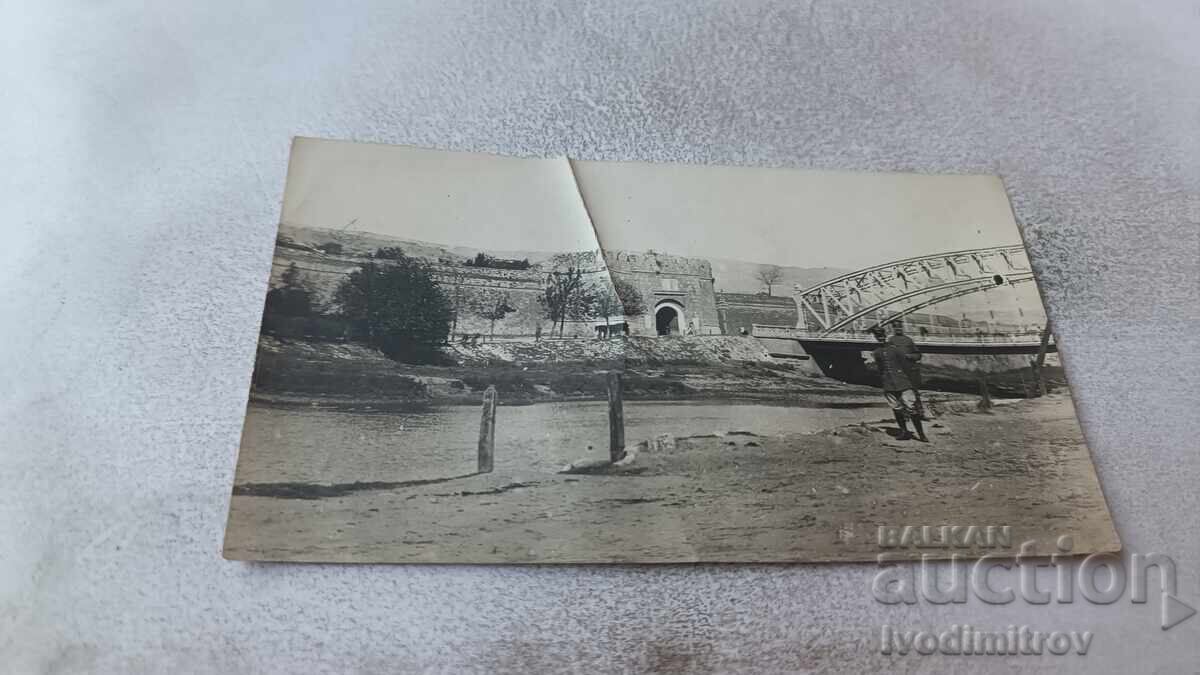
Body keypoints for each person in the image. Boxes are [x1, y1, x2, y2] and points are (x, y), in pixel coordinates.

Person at [872, 327, 929, 442]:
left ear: (886, 335)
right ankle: (904, 432)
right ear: (875, 337)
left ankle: (921, 434)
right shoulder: (877, 352)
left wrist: (912, 383)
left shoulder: (895, 350)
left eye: (882, 336)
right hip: (888, 384)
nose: (881, 338)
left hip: (902, 382)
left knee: (911, 407)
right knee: (896, 408)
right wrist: (883, 381)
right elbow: (880, 369)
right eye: (878, 336)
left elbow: (906, 366)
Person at [888, 320, 925, 420]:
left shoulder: (908, 340)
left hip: (910, 371)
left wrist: (911, 356)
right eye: (896, 327)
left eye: (900, 327)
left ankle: (920, 413)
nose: (898, 328)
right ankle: (905, 415)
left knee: (914, 392)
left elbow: (918, 355)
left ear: (902, 327)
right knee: (900, 392)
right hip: (898, 371)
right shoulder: (890, 340)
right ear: (893, 328)